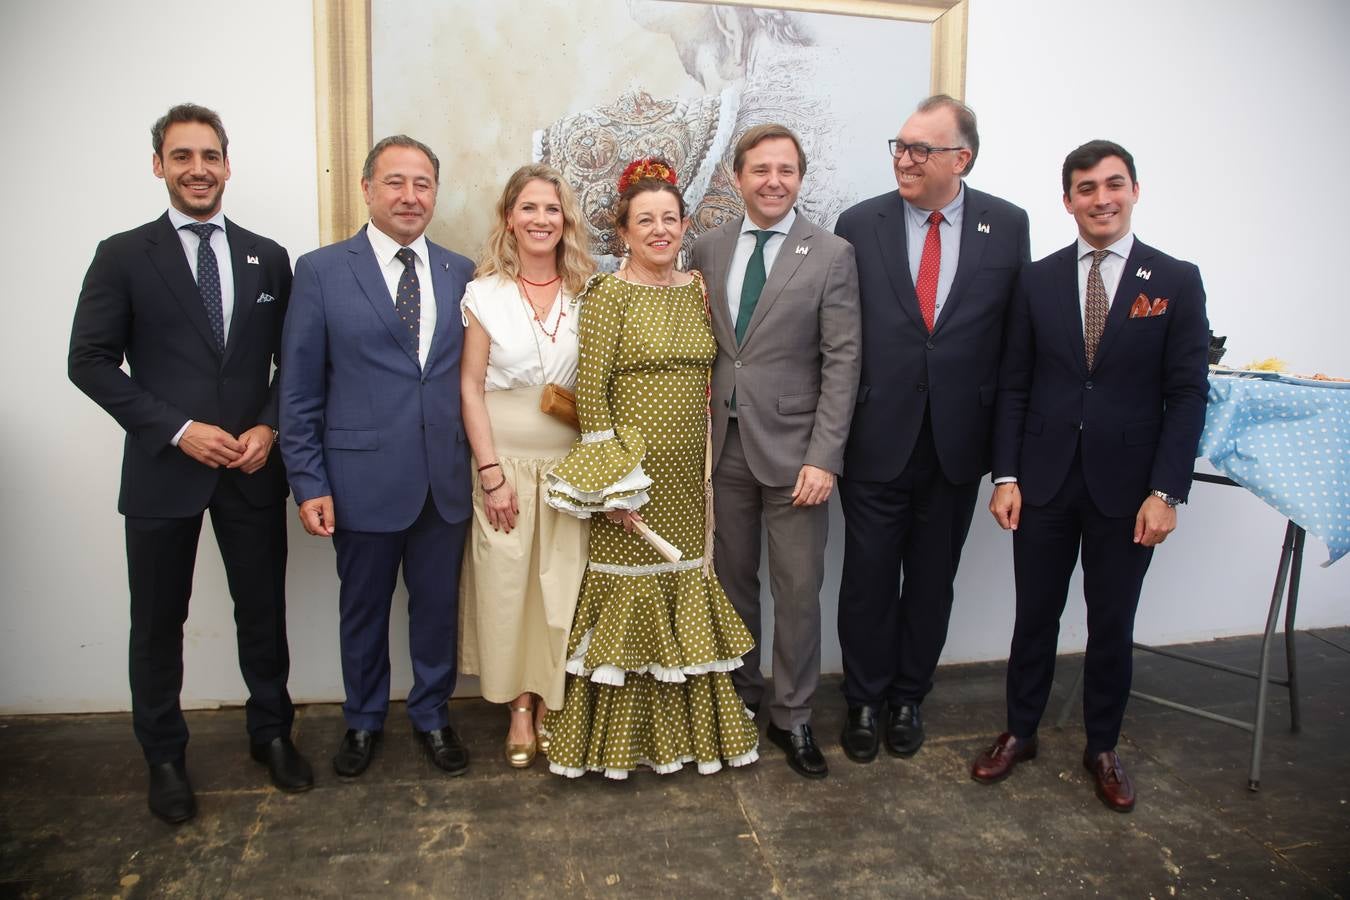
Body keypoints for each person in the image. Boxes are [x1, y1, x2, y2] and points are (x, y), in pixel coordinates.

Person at [68, 103, 312, 824]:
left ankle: (271, 734)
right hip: (162, 472)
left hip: (250, 470)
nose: (198, 169)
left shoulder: (268, 257)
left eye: (210, 156)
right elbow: (88, 361)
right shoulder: (122, 254)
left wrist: (269, 428)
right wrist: (177, 430)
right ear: (159, 166)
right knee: (157, 622)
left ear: (228, 165)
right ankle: (165, 757)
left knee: (263, 614)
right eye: (182, 157)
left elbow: (289, 365)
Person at [971, 141, 1209, 812]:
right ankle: (1020, 731)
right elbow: (1014, 384)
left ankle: (1102, 745)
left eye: (1112, 185)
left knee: (1111, 621)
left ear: (1135, 190)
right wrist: (1007, 475)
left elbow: (1187, 394)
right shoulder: (1037, 279)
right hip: (1042, 481)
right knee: (1034, 617)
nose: (1100, 198)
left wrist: (1167, 492)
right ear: (1068, 199)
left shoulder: (1174, 280)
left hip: (1128, 491)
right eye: (1085, 188)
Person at [542, 158, 760, 779]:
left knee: (685, 581)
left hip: (692, 479)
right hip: (633, 481)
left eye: (670, 218)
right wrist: (609, 485)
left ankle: (684, 736)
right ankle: (616, 741)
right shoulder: (607, 296)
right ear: (624, 230)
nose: (659, 230)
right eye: (646, 220)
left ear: (685, 224)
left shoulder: (697, 290)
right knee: (629, 594)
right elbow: (594, 394)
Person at [833, 95, 1030, 763]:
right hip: (874, 437)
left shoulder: (1007, 226)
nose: (904, 159)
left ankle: (908, 696)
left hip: (956, 445)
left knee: (931, 581)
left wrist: (1007, 464)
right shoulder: (860, 223)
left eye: (921, 149)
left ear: (961, 158)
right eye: (900, 145)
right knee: (866, 576)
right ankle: (862, 699)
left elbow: (1011, 351)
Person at [279, 135, 475, 778]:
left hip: (443, 481)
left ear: (435, 194)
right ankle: (362, 721)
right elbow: (300, 388)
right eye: (395, 182)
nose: (410, 196)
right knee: (361, 609)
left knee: (437, 606)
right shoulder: (321, 271)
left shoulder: (460, 272)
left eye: (422, 183)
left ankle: (432, 715)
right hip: (357, 481)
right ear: (366, 189)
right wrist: (308, 482)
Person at [689, 124, 860, 779]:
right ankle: (739, 702)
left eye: (786, 169)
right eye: (760, 169)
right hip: (723, 448)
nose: (773, 180)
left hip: (797, 457)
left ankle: (792, 717)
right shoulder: (707, 248)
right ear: (738, 178)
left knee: (796, 592)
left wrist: (825, 456)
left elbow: (843, 361)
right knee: (732, 587)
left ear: (800, 177)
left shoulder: (831, 254)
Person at [458, 165, 594, 768]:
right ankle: (517, 706)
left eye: (553, 209)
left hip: (569, 462)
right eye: (530, 208)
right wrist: (490, 473)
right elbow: (468, 386)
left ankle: (552, 702)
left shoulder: (590, 291)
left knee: (562, 584)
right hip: (504, 461)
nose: (542, 220)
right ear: (510, 218)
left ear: (567, 221)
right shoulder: (484, 292)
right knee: (508, 583)